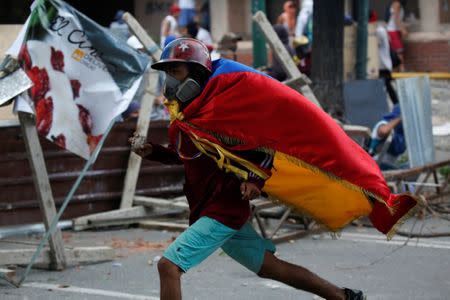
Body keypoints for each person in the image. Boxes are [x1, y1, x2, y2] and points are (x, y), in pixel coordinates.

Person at [127, 36, 422, 300]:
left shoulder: (225, 107)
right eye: (168, 74)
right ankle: (342, 296)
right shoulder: (188, 116)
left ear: (197, 74)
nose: (171, 82)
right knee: (272, 269)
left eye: (175, 73)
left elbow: (264, 146)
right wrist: (152, 151)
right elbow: (187, 157)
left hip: (223, 211)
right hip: (208, 208)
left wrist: (255, 179)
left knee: (169, 266)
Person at [370, 10, 399, 105]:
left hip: (382, 65)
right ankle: (395, 104)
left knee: (387, 86)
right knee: (386, 86)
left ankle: (396, 104)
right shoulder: (378, 29)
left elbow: (375, 43)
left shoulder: (379, 31)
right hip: (380, 64)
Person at [368, 104, 406, 170]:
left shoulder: (400, 134)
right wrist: (400, 118)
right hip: (375, 164)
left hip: (388, 167)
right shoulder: (383, 124)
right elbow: (383, 131)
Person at [386, 0, 408, 72]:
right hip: (392, 30)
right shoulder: (396, 3)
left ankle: (398, 70)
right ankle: (402, 69)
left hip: (396, 30)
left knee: (397, 51)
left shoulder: (399, 5)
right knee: (399, 51)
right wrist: (403, 29)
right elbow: (396, 19)